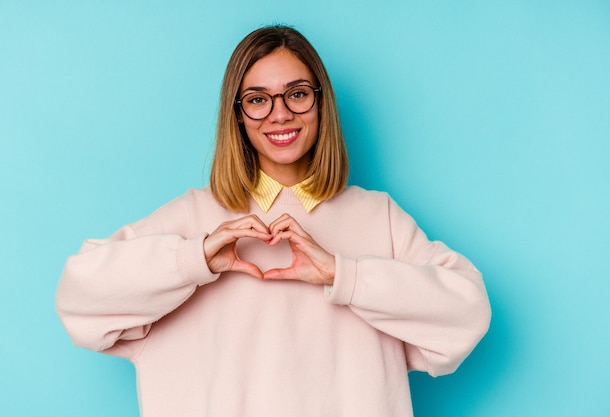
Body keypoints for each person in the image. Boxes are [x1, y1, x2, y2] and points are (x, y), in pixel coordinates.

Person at [56, 25, 491, 417]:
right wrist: (195, 258)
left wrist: (344, 274)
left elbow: (467, 313)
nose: (279, 114)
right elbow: (79, 297)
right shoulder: (191, 217)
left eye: (297, 93)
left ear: (321, 103)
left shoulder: (378, 217)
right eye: (258, 100)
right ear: (238, 114)